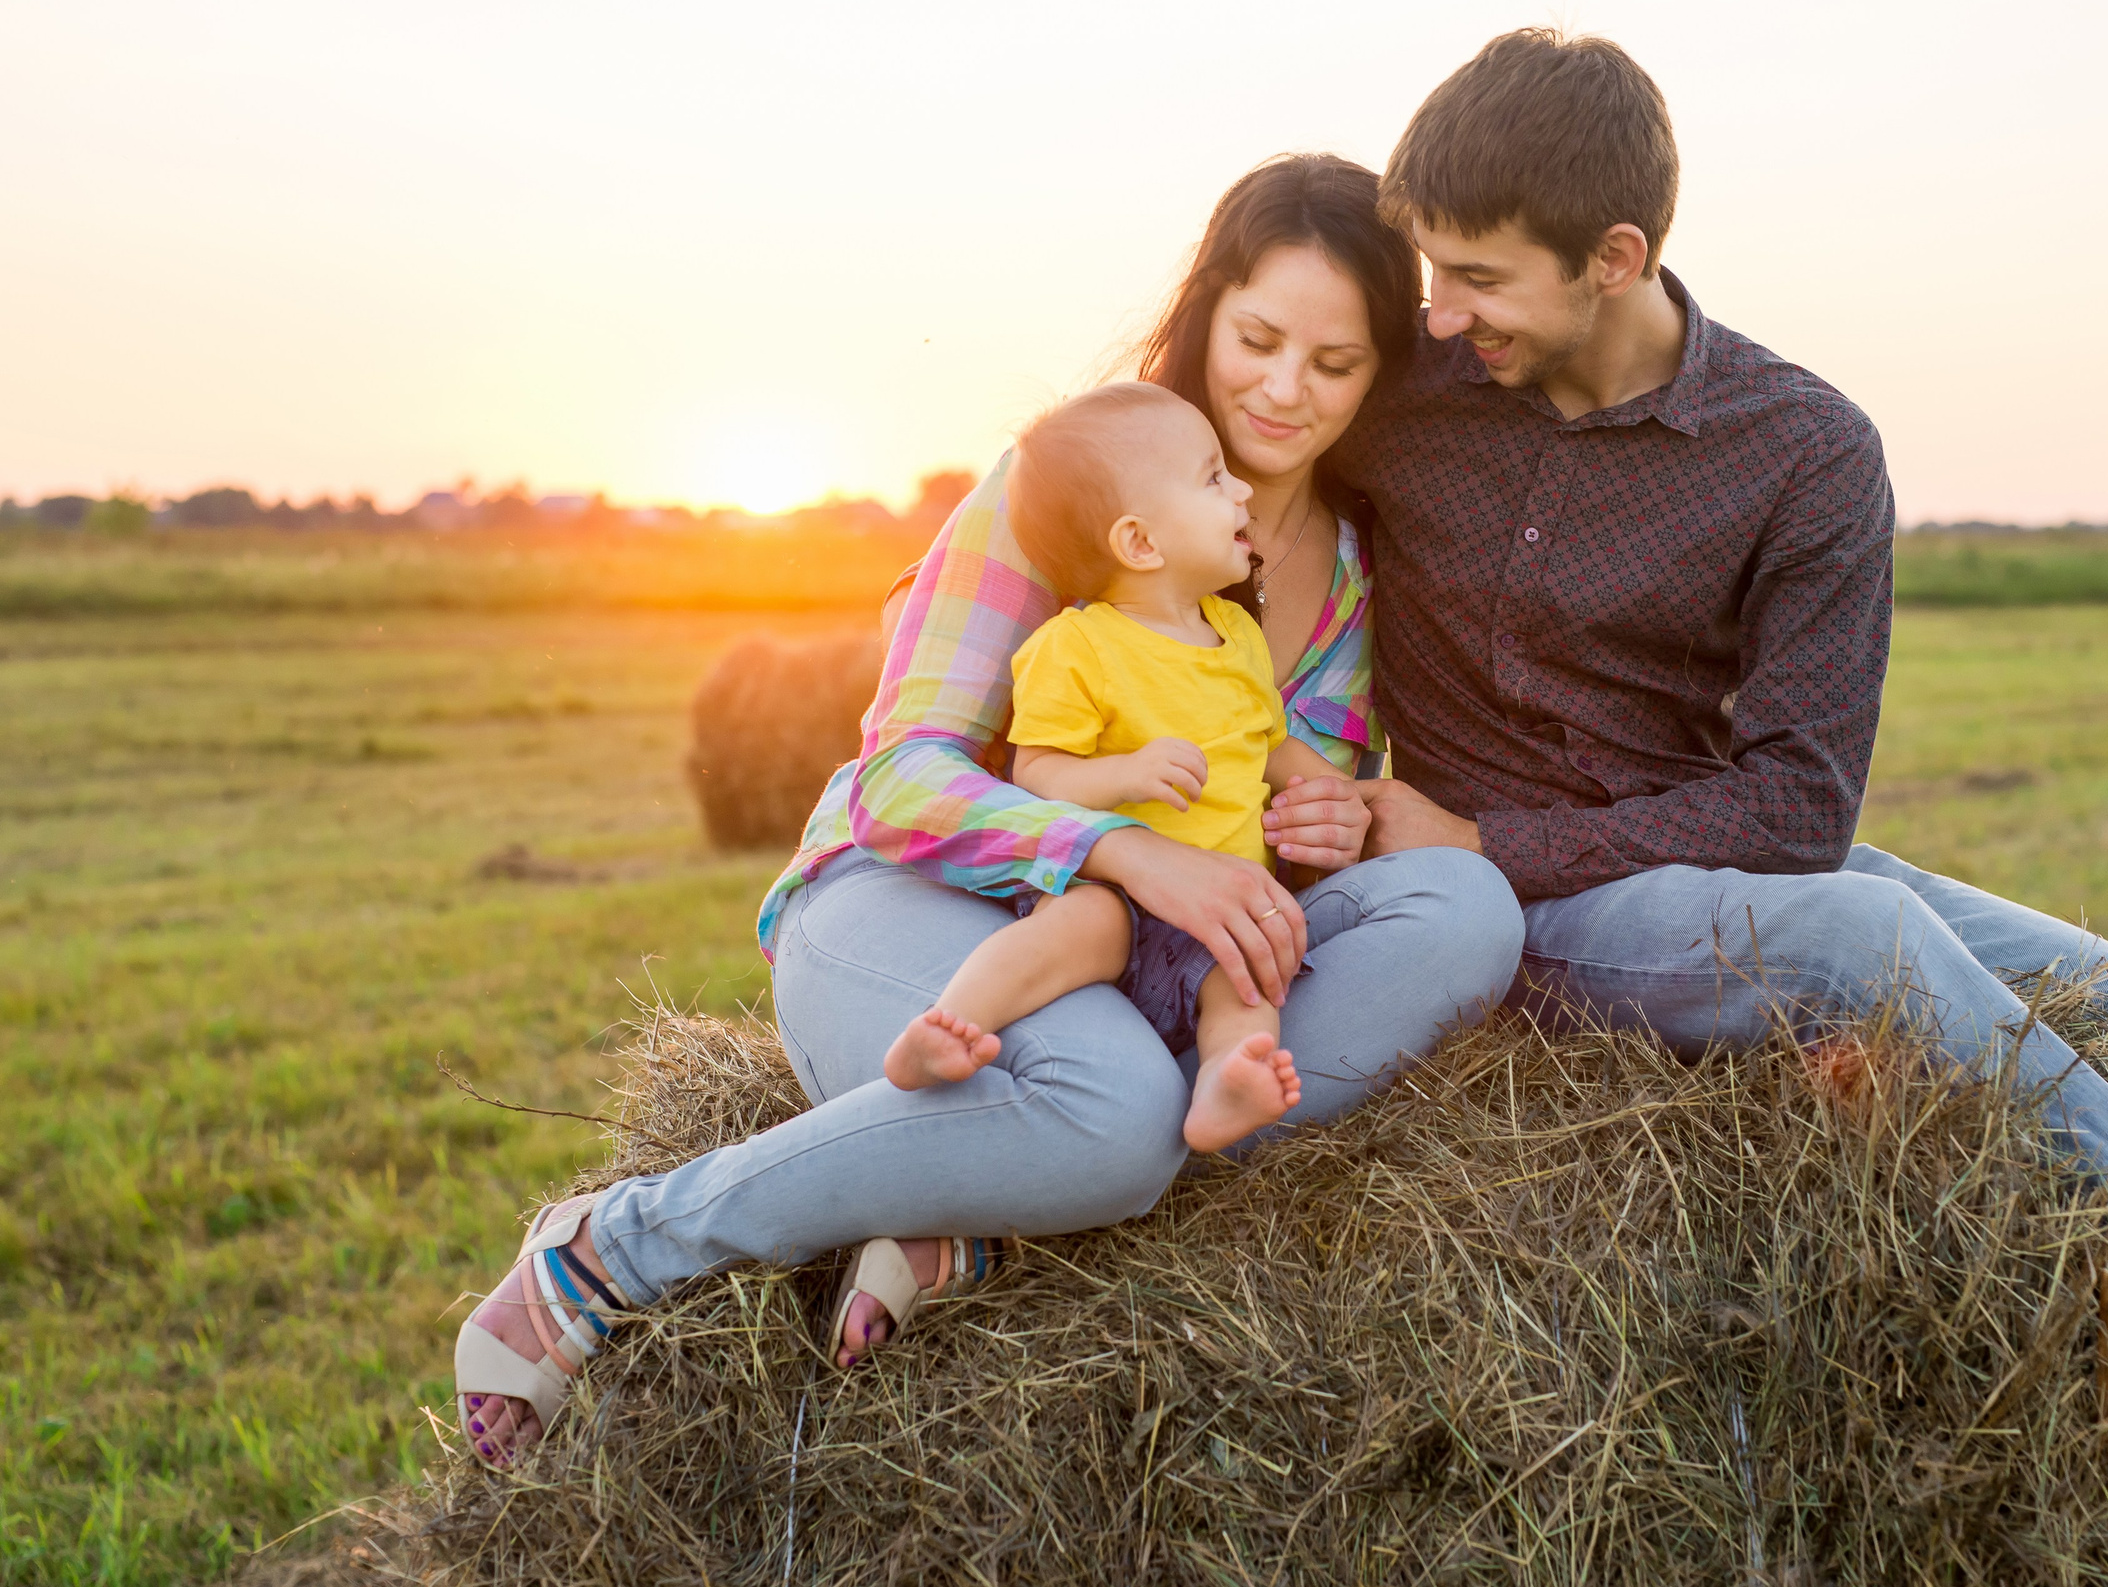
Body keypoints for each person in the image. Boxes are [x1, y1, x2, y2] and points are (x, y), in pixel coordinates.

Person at [1336, 27, 2108, 1587]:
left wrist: (1495, 835)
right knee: (1858, 934)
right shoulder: (1404, 390)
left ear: (1616, 258)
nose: (1440, 313)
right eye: (1429, 269)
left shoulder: (1803, 450)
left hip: (1700, 863)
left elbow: (1797, 806)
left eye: (1478, 277)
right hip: (1500, 906)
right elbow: (1183, 447)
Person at [450, 154, 1526, 1469]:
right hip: (919, 906)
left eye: (1335, 363)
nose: (1284, 390)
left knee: (1467, 908)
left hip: (1155, 968)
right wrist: (1120, 845)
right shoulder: (1065, 487)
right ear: (1208, 315)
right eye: (1257, 341)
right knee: (1117, 1116)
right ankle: (615, 1246)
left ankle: (993, 1203)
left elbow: (1267, 810)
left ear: (1379, 378)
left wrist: (1328, 826)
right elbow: (904, 778)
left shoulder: (1353, 569)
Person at [880, 380, 1346, 1154]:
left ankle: (1228, 1078)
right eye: (1213, 478)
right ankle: (951, 1021)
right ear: (1140, 543)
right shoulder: (1077, 646)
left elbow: (1268, 745)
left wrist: (1331, 786)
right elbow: (1039, 772)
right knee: (1080, 925)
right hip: (1114, 890)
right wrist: (1126, 775)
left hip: (1218, 905)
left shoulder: (1237, 635)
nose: (1241, 492)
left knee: (1251, 977)